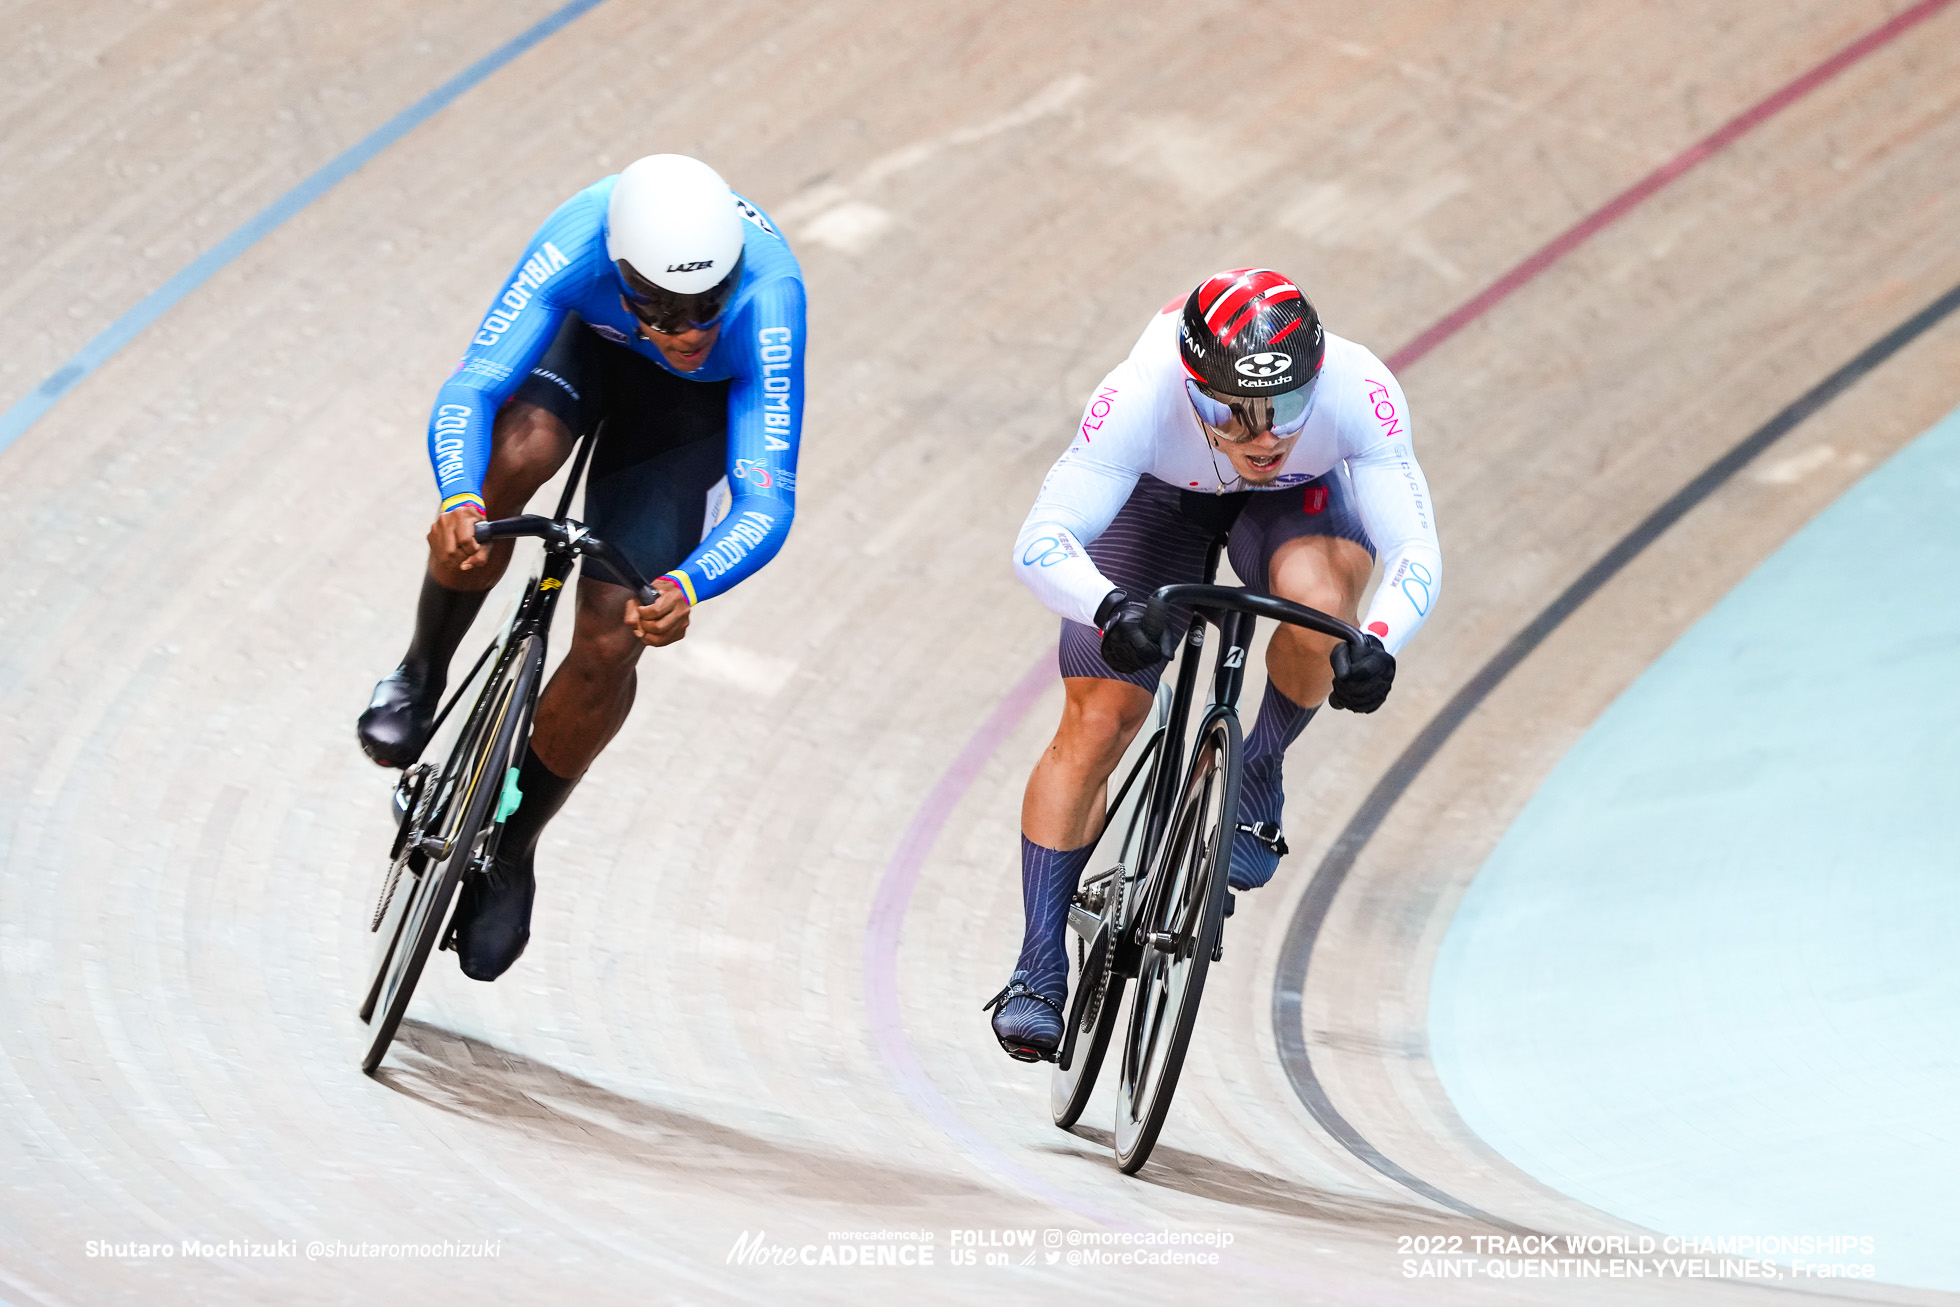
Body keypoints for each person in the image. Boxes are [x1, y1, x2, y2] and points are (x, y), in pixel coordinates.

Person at [356, 154, 806, 981]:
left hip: (688, 413)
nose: (689, 330)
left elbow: (767, 500)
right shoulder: (577, 239)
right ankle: (422, 671)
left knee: (610, 637)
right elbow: (473, 388)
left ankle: (514, 846)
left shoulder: (771, 299)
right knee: (509, 463)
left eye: (708, 305)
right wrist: (458, 496)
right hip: (588, 351)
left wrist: (688, 584)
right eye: (665, 309)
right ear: (619, 265)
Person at [986, 268, 1442, 1061]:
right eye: (1236, 412)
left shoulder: (1358, 388)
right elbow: (1041, 539)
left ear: (1318, 376)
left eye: (1288, 408)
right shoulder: (1140, 393)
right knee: (1099, 719)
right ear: (1192, 386)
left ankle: (1258, 764)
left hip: (1295, 506)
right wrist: (1108, 609)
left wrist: (1378, 640)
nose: (1266, 437)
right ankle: (1037, 963)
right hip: (1162, 497)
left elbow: (1414, 547)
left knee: (1321, 612)